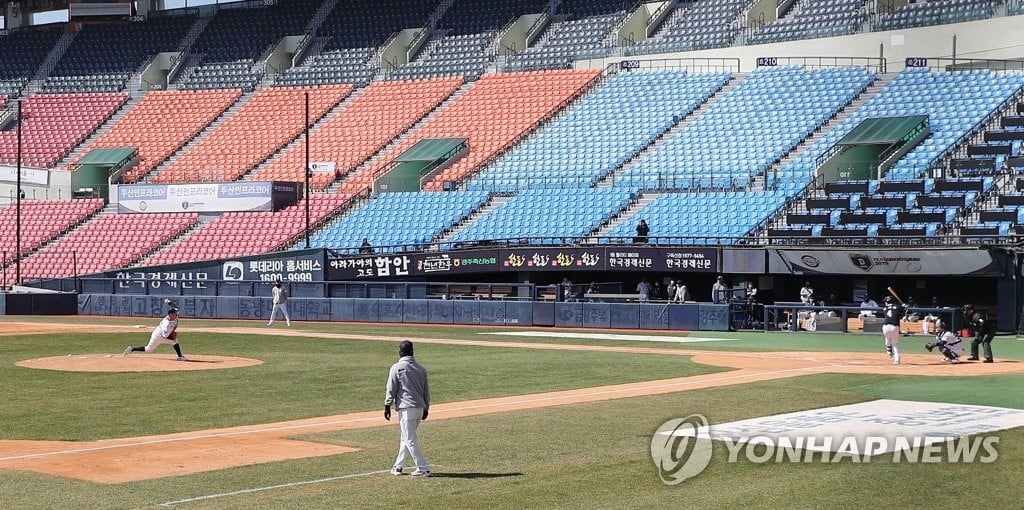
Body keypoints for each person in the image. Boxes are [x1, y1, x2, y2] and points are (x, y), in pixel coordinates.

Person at [385, 340, 431, 477]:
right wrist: (426, 408)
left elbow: (391, 388)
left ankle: (423, 468)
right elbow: (426, 391)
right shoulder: (421, 369)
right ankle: (398, 467)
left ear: (400, 352)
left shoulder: (397, 368)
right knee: (405, 438)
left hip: (406, 409)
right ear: (412, 352)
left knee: (410, 439)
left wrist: (387, 405)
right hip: (419, 408)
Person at [123, 307, 187, 361]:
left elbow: (175, 307)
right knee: (174, 341)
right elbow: (165, 336)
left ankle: (132, 349)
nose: (177, 314)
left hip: (157, 331)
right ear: (171, 314)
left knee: (148, 349)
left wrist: (169, 302)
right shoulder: (167, 325)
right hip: (159, 336)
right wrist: (173, 334)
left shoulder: (171, 317)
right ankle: (180, 357)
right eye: (175, 313)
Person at [881, 295, 904, 365]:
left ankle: (888, 349)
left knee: (887, 338)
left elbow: (891, 309)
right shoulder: (898, 307)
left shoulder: (884, 308)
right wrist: (904, 306)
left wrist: (902, 307)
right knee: (895, 344)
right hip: (895, 327)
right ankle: (896, 360)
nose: (885, 302)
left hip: (886, 327)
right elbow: (907, 311)